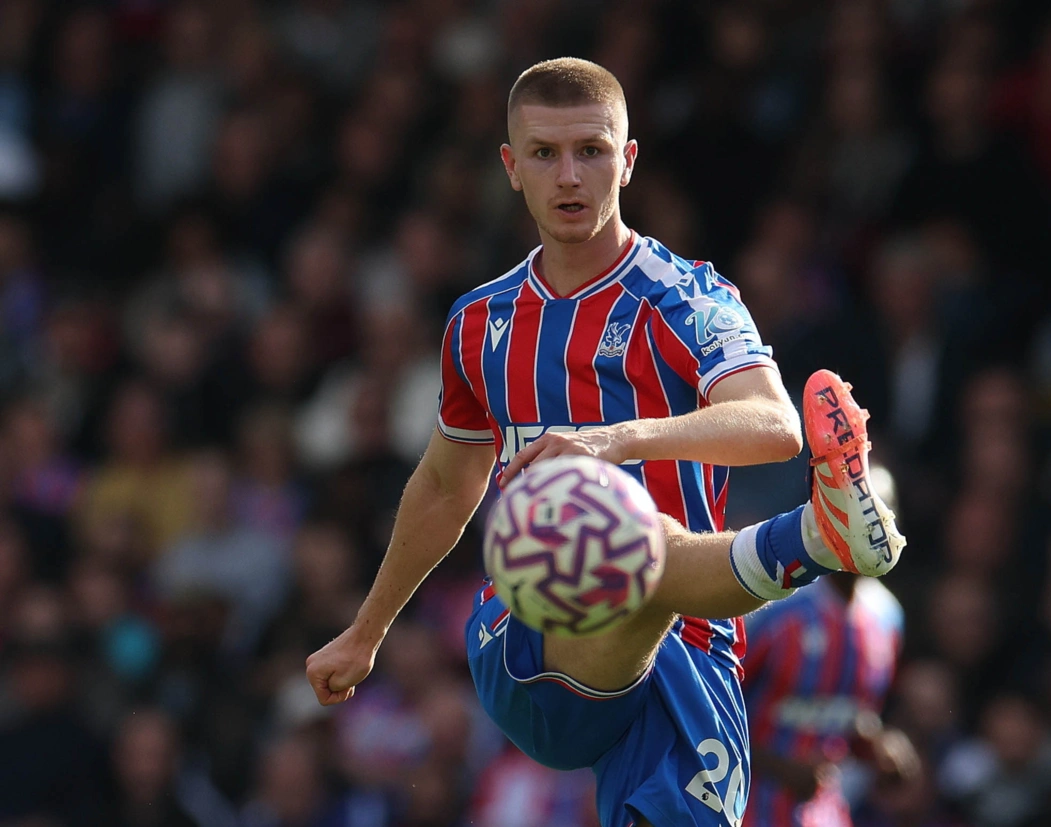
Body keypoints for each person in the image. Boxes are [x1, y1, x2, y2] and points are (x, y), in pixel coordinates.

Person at [306, 57, 906, 827]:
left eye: (591, 150)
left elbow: (774, 425)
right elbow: (446, 486)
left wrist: (610, 441)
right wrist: (367, 632)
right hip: (531, 632)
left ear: (627, 160)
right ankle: (818, 537)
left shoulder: (688, 295)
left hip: (688, 646)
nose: (569, 174)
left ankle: (819, 535)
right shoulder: (480, 323)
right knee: (622, 533)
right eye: (545, 153)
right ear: (510, 167)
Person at [742, 568, 917, 827]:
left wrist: (878, 746)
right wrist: (778, 766)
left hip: (826, 813)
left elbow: (853, 716)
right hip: (744, 807)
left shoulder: (886, 616)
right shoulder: (771, 605)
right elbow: (711, 709)